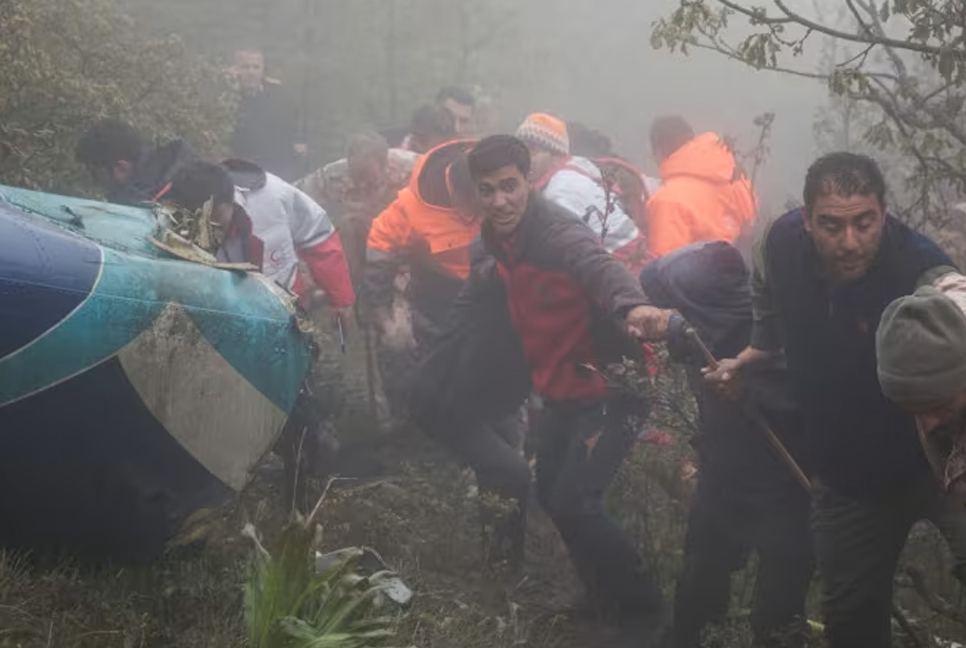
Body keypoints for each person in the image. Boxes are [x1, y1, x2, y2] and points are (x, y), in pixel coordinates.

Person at [704, 152, 966, 647]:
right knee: (850, 622)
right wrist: (760, 346)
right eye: (831, 225)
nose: (849, 242)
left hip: (940, 461)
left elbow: (956, 299)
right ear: (805, 219)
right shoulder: (779, 243)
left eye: (864, 223)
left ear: (884, 213)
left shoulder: (921, 267)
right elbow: (763, 282)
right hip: (848, 476)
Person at [419, 135, 670, 643]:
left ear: (528, 180)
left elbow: (599, 267)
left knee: (577, 498)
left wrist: (632, 306)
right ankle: (600, 595)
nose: (499, 201)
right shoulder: (493, 240)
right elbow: (471, 302)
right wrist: (434, 368)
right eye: (487, 191)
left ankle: (644, 615)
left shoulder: (556, 231)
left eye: (509, 187)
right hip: (560, 390)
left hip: (611, 388)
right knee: (554, 497)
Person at [639, 242, 813, 648]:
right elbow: (651, 280)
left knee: (777, 614)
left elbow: (809, 400)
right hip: (722, 477)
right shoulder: (695, 327)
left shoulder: (774, 333)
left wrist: (750, 389)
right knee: (700, 588)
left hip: (786, 486)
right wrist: (671, 322)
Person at [165, 160, 354, 314]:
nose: (212, 228)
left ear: (228, 201)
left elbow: (319, 235)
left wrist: (340, 301)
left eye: (218, 218)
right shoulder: (169, 213)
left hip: (283, 301)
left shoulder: (269, 200)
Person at [514, 113, 649, 270]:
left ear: (555, 154)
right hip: (634, 261)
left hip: (625, 271)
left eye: (533, 151)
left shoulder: (561, 191)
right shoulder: (578, 169)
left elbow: (557, 257)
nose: (524, 159)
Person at [297, 132, 420, 285]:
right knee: (348, 224)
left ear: (384, 165)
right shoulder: (334, 174)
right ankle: (349, 292)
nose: (361, 184)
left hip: (406, 243)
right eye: (356, 175)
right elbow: (291, 198)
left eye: (367, 176)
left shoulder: (414, 170)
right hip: (360, 242)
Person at [645, 115, 757, 258]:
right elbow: (751, 219)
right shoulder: (733, 173)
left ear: (660, 149)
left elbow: (666, 268)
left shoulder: (666, 201)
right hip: (748, 271)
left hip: (710, 278)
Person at [76, 118, 198, 206]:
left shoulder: (166, 203)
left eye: (96, 175)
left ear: (121, 168)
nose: (95, 183)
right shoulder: (149, 190)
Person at [231, 48, 307, 182]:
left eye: (256, 67)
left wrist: (299, 142)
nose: (251, 72)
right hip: (238, 168)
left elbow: (293, 124)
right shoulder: (225, 96)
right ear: (236, 69)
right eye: (245, 67)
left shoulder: (279, 96)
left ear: (263, 70)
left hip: (275, 167)